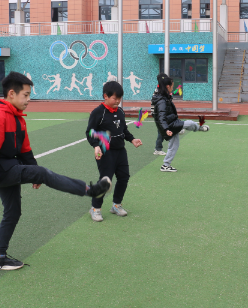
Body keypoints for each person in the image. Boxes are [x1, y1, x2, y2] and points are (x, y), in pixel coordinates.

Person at [0, 72, 111, 271]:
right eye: (26, 95)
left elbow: (25, 149)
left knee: (13, 212)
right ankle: (91, 191)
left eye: (30, 95)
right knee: (43, 173)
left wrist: (32, 170)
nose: (29, 100)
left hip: (9, 166)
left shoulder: (17, 117)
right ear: (11, 94)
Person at [86, 81, 143, 222]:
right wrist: (96, 146)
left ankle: (116, 205)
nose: (117, 101)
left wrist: (132, 139)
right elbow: (90, 132)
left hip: (120, 151)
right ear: (106, 96)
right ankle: (95, 208)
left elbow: (123, 130)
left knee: (124, 177)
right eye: (115, 98)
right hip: (105, 152)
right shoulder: (98, 112)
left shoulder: (120, 111)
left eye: (120, 98)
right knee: (106, 181)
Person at [152, 73, 209, 172]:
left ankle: (165, 165)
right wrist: (166, 129)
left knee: (174, 145)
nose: (173, 88)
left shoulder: (165, 95)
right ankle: (197, 128)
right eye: (172, 86)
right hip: (170, 125)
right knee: (190, 123)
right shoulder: (162, 100)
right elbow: (161, 117)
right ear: (168, 86)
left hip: (172, 122)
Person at [151, 86, 166, 156]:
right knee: (161, 132)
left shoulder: (158, 90)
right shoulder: (159, 90)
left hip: (157, 114)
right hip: (158, 114)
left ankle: (158, 148)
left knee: (161, 131)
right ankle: (158, 149)